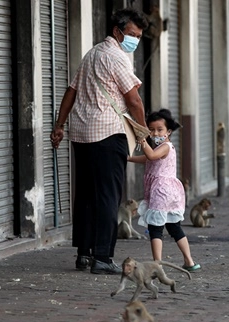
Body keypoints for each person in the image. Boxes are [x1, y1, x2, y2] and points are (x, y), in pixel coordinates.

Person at [51, 9, 149, 275]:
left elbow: (70, 91)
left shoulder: (91, 54)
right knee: (108, 197)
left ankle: (84, 254)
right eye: (132, 34)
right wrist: (143, 131)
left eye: (139, 36)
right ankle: (103, 258)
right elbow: (134, 100)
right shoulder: (116, 57)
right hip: (108, 134)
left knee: (86, 195)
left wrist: (60, 125)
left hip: (81, 135)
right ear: (117, 31)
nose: (135, 41)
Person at [128, 109, 200, 271]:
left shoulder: (166, 146)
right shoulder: (159, 147)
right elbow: (148, 159)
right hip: (168, 192)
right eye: (151, 130)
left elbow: (151, 156)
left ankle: (157, 263)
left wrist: (143, 141)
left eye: (159, 129)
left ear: (168, 131)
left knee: (155, 228)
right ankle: (189, 261)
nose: (155, 133)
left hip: (162, 191)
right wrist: (129, 158)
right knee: (174, 227)